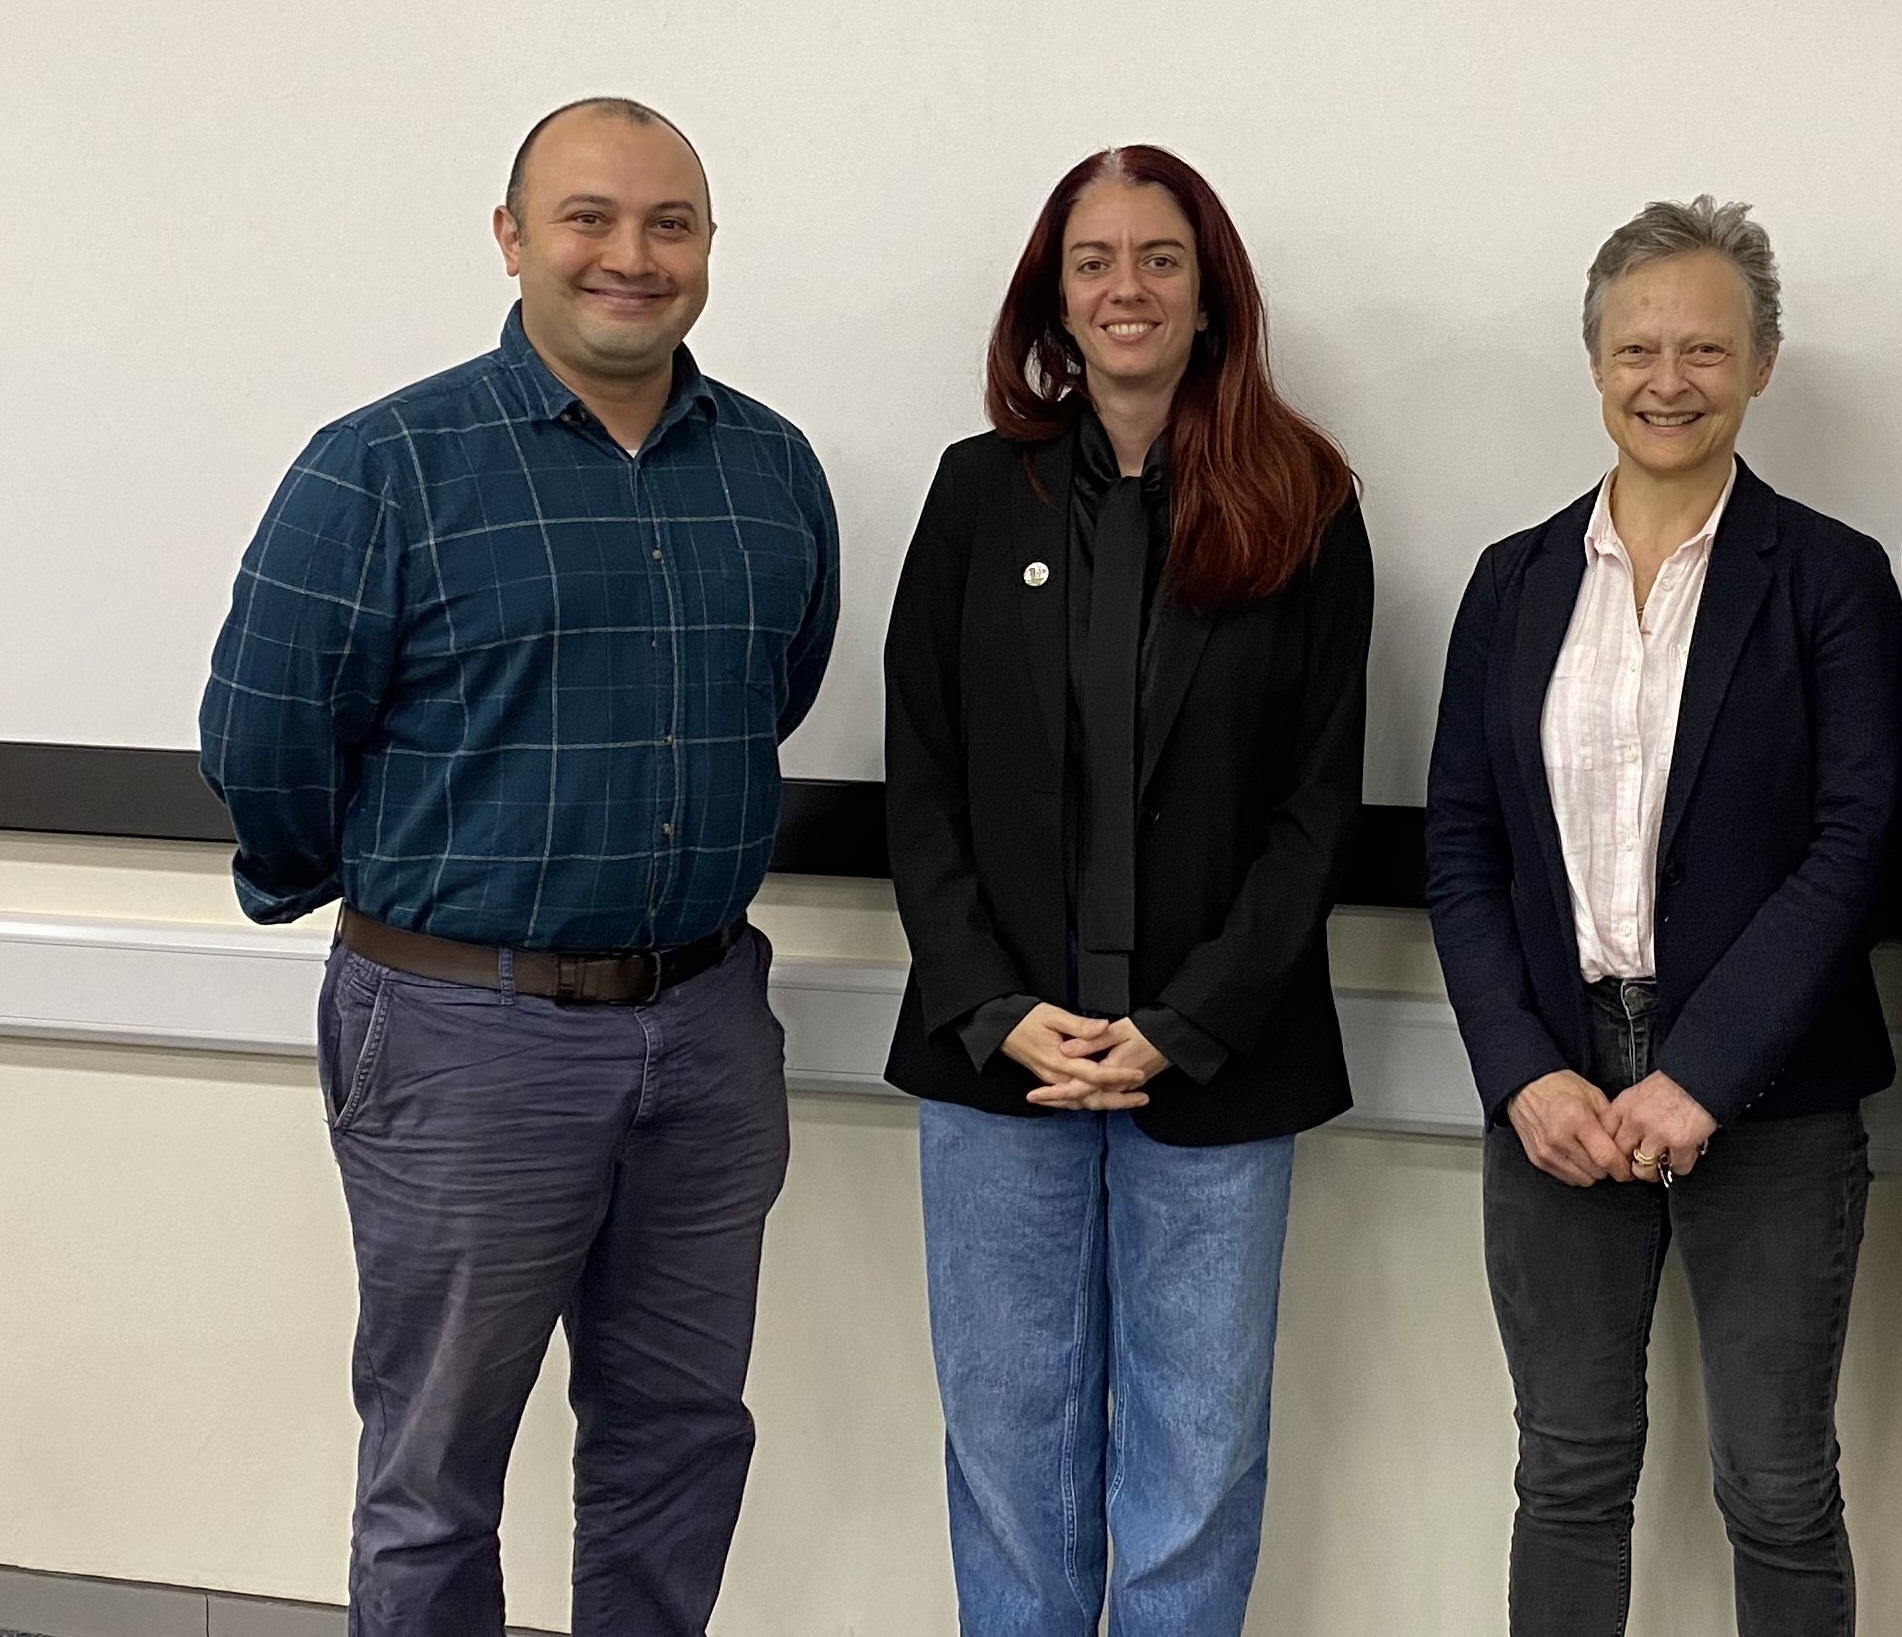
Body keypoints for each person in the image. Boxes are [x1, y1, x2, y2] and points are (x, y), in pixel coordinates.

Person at [198, 97, 840, 1636]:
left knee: (679, 1441)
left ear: (705, 249)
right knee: (435, 1474)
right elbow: (262, 742)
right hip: (459, 1035)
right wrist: (400, 893)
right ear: (511, 239)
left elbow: (777, 692)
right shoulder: (381, 467)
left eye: (669, 224)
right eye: (589, 219)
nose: (631, 256)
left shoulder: (770, 469)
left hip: (702, 1032)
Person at [880, 144, 1371, 1637]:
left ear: (1209, 292)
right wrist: (995, 1002)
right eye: (1093, 261)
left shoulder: (1304, 496)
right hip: (998, 1060)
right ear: (1055, 294)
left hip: (1216, 1063)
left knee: (1196, 1461)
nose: (1125, 288)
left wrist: (1183, 1019)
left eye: (1157, 258)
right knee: (1009, 1453)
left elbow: (1316, 802)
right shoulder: (979, 495)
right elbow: (921, 775)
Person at [1425, 195, 1902, 1637]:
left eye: (1706, 345)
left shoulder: (1827, 577)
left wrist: (1702, 1072)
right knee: (1566, 1471)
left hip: (1768, 1098)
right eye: (1635, 344)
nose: (1667, 378)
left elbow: (1853, 842)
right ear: (1591, 362)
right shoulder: (1513, 583)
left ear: (1761, 363)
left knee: (1773, 1481)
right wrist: (1519, 1071)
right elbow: (1458, 843)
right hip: (1557, 1090)